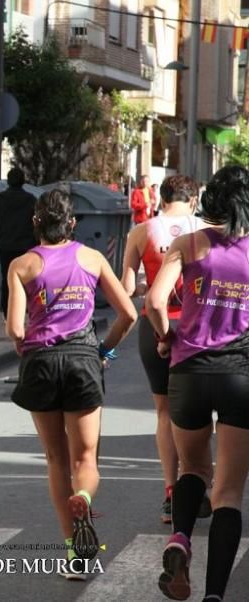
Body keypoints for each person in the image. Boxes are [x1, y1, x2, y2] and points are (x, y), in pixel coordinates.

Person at [5, 188, 137, 580]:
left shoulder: (22, 265)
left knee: (56, 460)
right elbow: (128, 313)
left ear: (35, 223)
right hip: (83, 359)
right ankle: (84, 497)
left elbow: (14, 328)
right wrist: (104, 352)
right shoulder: (92, 258)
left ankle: (74, 556)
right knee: (86, 460)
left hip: (41, 363)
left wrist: (26, 347)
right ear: (73, 224)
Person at [147, 165, 249, 601]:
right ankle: (214, 596)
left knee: (192, 469)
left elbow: (154, 300)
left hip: (187, 372)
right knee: (227, 490)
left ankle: (180, 541)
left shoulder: (188, 245)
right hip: (239, 376)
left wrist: (166, 337)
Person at [121, 175, 211, 524]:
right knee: (199, 412)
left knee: (164, 413)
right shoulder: (204, 228)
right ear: (192, 200)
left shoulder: (141, 231)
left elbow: (129, 287)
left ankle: (171, 493)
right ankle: (200, 486)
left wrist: (147, 281)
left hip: (155, 326)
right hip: (195, 326)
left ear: (161, 197)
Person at [0, 167, 37, 316]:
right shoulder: (31, 200)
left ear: (8, 181)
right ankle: (26, 311)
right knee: (27, 280)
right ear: (23, 181)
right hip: (26, 247)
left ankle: (7, 312)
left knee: (7, 280)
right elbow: (36, 223)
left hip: (6, 247)